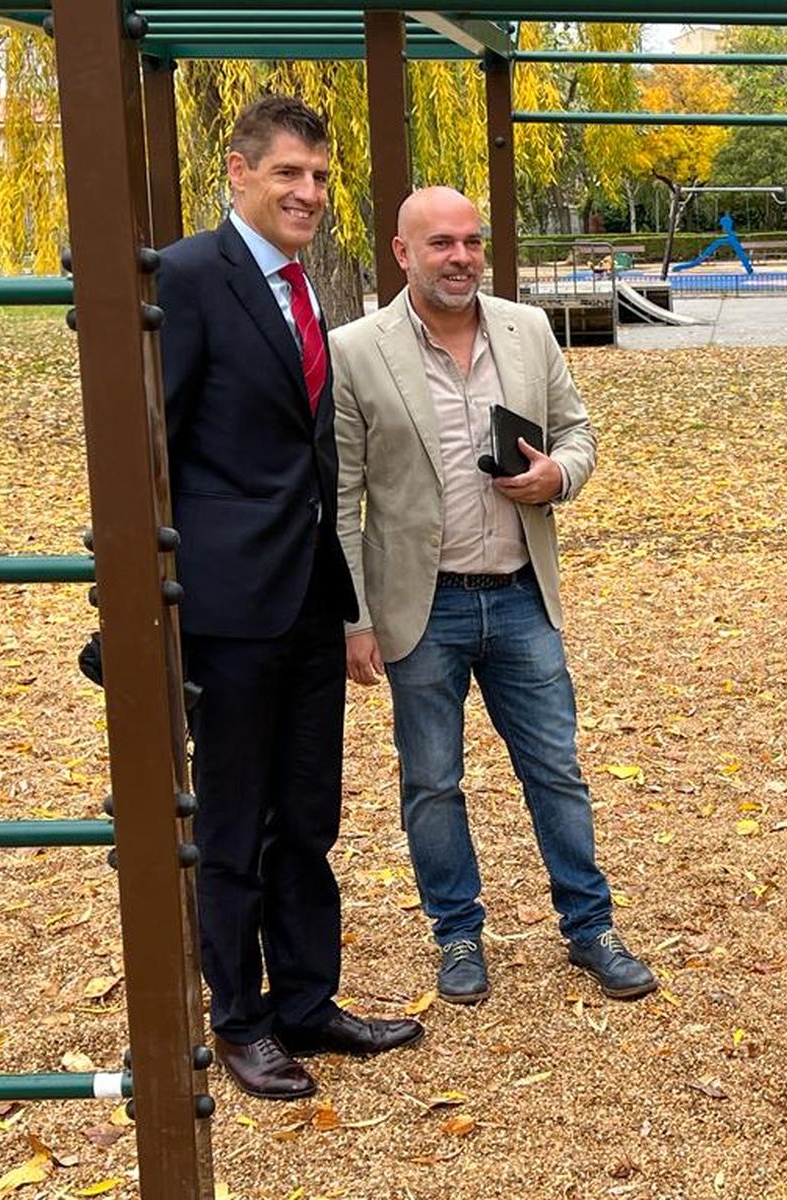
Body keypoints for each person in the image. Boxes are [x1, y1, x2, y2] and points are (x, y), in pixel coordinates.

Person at [157, 95, 423, 1101]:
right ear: (238, 173)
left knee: (308, 813)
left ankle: (308, 999)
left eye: (318, 176)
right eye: (287, 174)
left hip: (310, 595)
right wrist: (140, 598)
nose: (308, 192)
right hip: (228, 606)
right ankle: (240, 1020)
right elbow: (150, 442)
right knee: (234, 820)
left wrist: (344, 604)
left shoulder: (304, 285)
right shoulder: (189, 277)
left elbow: (313, 454)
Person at [330, 187, 656, 1006]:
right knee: (432, 782)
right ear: (402, 253)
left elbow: (577, 432)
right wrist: (355, 619)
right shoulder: (355, 351)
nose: (461, 257)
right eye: (441, 243)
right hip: (421, 607)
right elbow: (340, 498)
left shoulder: (526, 329)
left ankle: (590, 927)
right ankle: (457, 935)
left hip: (519, 597)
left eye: (471, 241)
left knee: (556, 770)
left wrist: (558, 476)